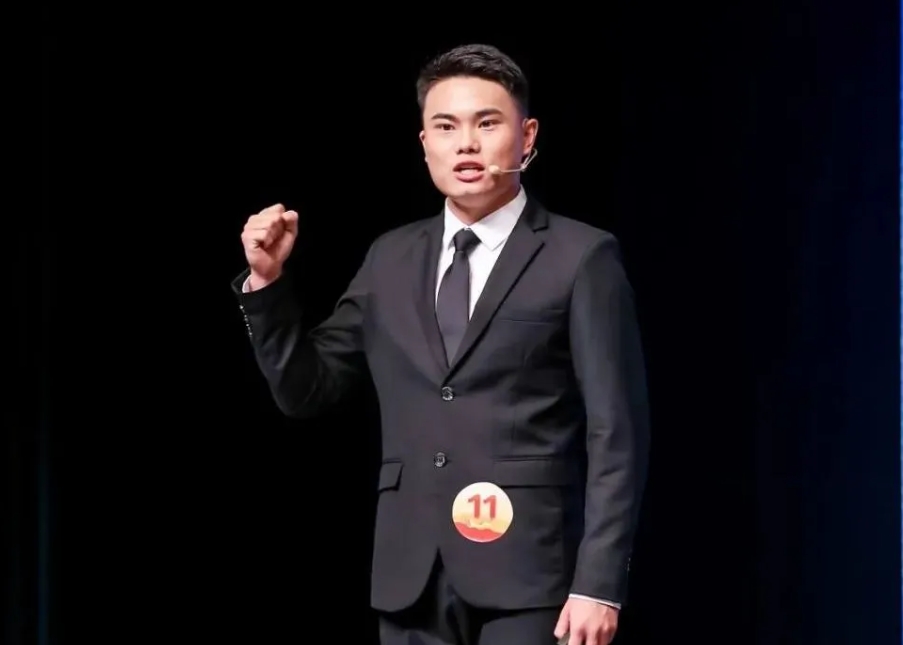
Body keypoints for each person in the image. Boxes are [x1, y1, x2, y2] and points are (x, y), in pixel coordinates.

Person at [231, 43, 650, 645]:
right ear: (424, 142)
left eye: (487, 123)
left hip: (532, 577)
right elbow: (307, 391)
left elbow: (617, 431)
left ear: (527, 137)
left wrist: (599, 584)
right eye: (446, 127)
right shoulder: (390, 257)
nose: (466, 145)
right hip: (412, 575)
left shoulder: (581, 256)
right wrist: (267, 285)